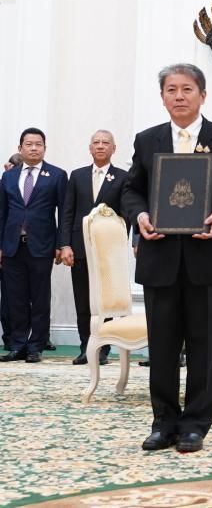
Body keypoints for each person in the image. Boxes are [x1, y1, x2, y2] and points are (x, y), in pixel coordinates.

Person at [122, 63, 212, 453]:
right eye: (170, 90)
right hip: (160, 257)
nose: (178, 96)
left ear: (201, 95)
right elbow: (132, 191)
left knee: (203, 344)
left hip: (208, 257)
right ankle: (163, 422)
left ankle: (196, 423)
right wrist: (141, 215)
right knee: (161, 345)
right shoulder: (147, 140)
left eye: (186, 89)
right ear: (162, 96)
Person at [58, 130, 128, 365]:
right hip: (79, 247)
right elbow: (67, 213)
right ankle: (86, 346)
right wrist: (65, 244)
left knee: (106, 301)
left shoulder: (122, 177)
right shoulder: (76, 176)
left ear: (113, 148)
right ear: (90, 148)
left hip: (108, 251)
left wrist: (119, 244)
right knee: (83, 300)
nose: (100, 146)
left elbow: (125, 215)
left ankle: (104, 348)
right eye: (96, 143)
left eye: (105, 143)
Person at [0, 128, 68, 363]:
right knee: (15, 297)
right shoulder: (8, 177)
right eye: (28, 144)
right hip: (12, 246)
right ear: (20, 148)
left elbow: (64, 213)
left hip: (42, 246)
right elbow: (2, 212)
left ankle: (36, 345)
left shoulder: (57, 175)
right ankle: (18, 344)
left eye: (38, 144)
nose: (33, 148)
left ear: (44, 148)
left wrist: (62, 244)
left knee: (40, 297)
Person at [1, 153, 23, 350]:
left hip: (16, 245)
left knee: (17, 295)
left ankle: (17, 338)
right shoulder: (5, 182)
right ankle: (9, 337)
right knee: (9, 296)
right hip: (7, 245)